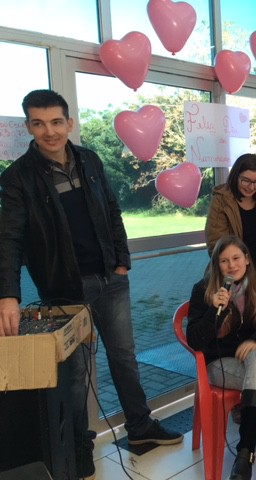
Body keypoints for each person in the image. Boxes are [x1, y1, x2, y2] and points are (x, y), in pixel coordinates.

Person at [0, 89, 182, 480]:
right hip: (64, 289)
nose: (49, 131)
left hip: (109, 279)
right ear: (29, 127)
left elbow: (112, 211)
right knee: (75, 374)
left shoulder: (90, 160)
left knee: (124, 357)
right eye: (38, 123)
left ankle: (140, 427)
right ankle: (79, 448)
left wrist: (122, 262)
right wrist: (8, 296)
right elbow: (9, 239)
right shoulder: (17, 178)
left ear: (69, 122)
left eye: (56, 122)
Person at [186, 235, 256, 480]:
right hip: (219, 364)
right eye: (224, 261)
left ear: (247, 259)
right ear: (216, 265)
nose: (231, 265)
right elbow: (195, 340)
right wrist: (215, 310)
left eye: (236, 258)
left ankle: (245, 456)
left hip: (252, 359)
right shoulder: (203, 289)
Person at [205, 153, 256, 287]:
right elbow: (217, 245)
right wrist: (234, 273)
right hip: (231, 274)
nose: (251, 187)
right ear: (236, 176)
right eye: (246, 180)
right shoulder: (221, 199)